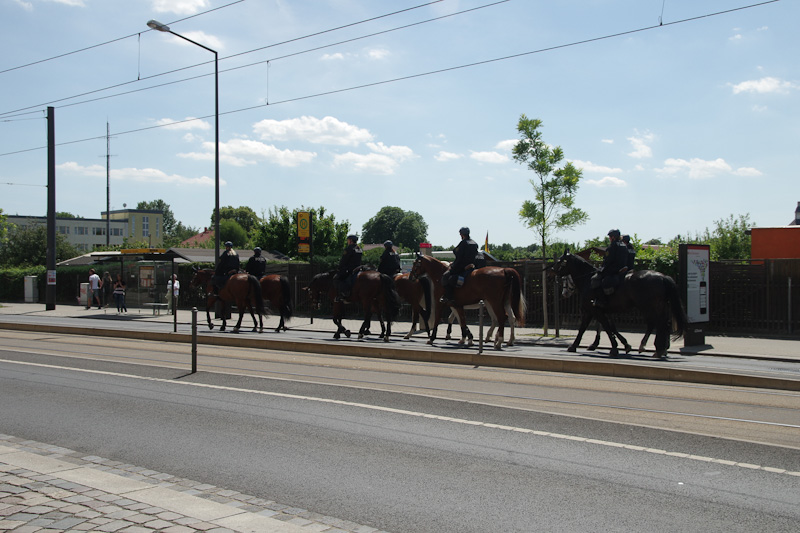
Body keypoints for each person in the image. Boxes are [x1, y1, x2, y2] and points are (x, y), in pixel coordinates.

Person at [440, 227, 480, 305]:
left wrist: (453, 265)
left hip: (462, 267)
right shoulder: (475, 243)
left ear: (461, 234)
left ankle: (449, 297)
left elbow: (459, 257)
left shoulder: (463, 243)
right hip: (472, 266)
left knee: (445, 276)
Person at [594, 229, 628, 308]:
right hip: (623, 269)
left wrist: (600, 269)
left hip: (613, 270)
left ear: (613, 237)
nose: (609, 239)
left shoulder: (612, 246)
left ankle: (601, 301)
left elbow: (608, 261)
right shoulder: (624, 245)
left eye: (609, 237)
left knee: (595, 280)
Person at [334, 234, 362, 302]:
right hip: (358, 268)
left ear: (351, 240)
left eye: (348, 240)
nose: (347, 241)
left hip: (349, 269)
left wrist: (339, 267)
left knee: (337, 278)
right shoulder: (359, 249)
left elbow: (344, 260)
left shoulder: (349, 248)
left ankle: (342, 294)